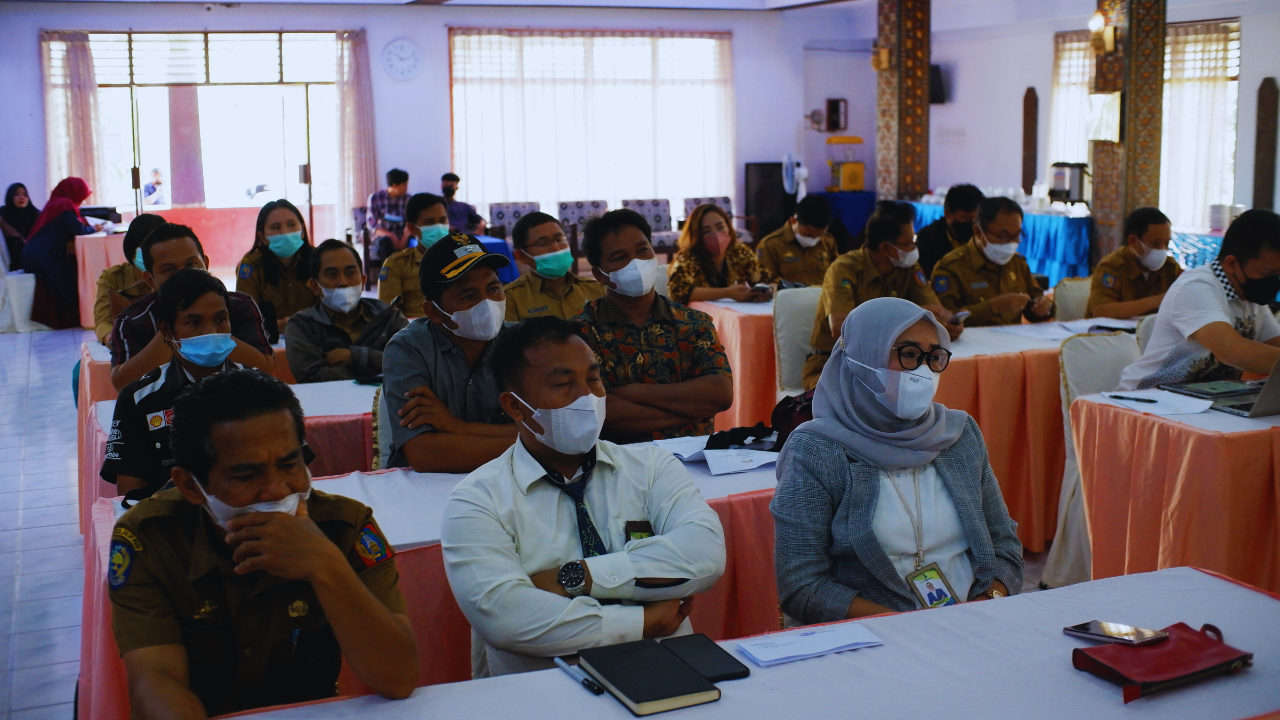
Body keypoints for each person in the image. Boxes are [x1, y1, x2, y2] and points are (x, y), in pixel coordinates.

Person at [109, 369, 417, 717]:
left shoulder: (345, 527)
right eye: (246, 475)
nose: (277, 490)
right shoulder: (150, 538)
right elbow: (156, 681)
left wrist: (326, 566)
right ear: (191, 486)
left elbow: (399, 678)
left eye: (289, 465)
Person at [441, 316, 726, 677]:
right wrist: (639, 622)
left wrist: (577, 577)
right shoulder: (477, 501)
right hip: (547, 690)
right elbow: (507, 617)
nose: (587, 398)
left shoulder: (649, 465)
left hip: (668, 670)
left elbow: (705, 554)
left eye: (593, 379)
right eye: (563, 384)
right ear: (515, 407)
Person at [772, 298, 1024, 623]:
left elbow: (1004, 544)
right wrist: (912, 627)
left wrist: (989, 599)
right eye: (907, 354)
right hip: (879, 637)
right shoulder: (817, 450)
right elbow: (802, 587)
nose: (922, 370)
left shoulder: (958, 434)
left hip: (975, 622)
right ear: (861, 358)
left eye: (933, 357)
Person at [573, 209, 733, 443]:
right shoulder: (582, 333)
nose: (636, 263)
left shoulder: (694, 322)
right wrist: (691, 410)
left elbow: (720, 394)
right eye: (620, 258)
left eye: (642, 250)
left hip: (696, 462)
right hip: (622, 463)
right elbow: (598, 416)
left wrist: (633, 392)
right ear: (599, 274)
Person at [102, 269, 243, 500]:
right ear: (167, 331)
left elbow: (291, 472)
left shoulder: (260, 390)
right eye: (194, 322)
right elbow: (131, 495)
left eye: (220, 319)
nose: (210, 332)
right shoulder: (138, 399)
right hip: (172, 523)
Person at [382, 232, 517, 472]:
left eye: (493, 288)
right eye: (468, 296)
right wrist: (528, 447)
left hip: (509, 485)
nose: (486, 303)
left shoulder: (522, 342)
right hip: (422, 491)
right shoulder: (409, 349)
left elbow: (547, 430)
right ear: (433, 312)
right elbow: (424, 453)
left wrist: (456, 427)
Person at [1117, 209, 1280, 391]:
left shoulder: (1248, 296)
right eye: (1268, 272)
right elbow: (1233, 352)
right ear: (1232, 264)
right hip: (1146, 399)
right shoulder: (1196, 287)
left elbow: (1275, 343)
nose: (1275, 280)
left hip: (1203, 399)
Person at [802, 201, 957, 391]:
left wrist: (949, 321)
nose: (913, 249)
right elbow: (841, 330)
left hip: (892, 365)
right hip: (835, 364)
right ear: (886, 248)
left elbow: (934, 312)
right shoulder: (844, 269)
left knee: (929, 390)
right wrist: (904, 317)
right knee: (869, 400)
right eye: (908, 243)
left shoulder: (907, 268)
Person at [111, 224, 275, 390]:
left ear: (206, 264)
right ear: (150, 279)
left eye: (192, 265)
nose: (184, 276)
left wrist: (215, 330)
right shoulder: (132, 320)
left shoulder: (240, 305)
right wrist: (171, 332)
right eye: (169, 270)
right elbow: (123, 384)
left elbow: (265, 370)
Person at [286, 239, 408, 383]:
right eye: (332, 274)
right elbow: (310, 376)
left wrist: (356, 357)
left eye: (350, 273)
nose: (343, 282)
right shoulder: (302, 325)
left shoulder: (389, 317)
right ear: (314, 286)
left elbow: (411, 362)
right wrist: (379, 366)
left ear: (363, 281)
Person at [930, 196, 1054, 326]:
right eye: (1002, 236)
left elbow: (1036, 303)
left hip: (1014, 341)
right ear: (978, 232)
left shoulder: (1017, 263)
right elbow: (946, 320)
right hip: (971, 343)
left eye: (1016, 236)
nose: (1010, 243)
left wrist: (1044, 307)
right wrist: (992, 307)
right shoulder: (951, 267)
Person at [22, 177, 103, 328]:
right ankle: (72, 318)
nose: (81, 200)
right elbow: (78, 229)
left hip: (34, 253)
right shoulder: (65, 204)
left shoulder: (57, 202)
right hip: (41, 256)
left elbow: (65, 227)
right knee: (71, 273)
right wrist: (95, 229)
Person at [666, 203, 774, 305]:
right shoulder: (687, 256)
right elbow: (677, 293)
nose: (716, 235)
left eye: (720, 227)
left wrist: (767, 292)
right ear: (697, 236)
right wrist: (727, 293)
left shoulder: (740, 251)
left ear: (729, 227)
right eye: (706, 231)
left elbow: (766, 280)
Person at [503, 211, 604, 321]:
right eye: (543, 244)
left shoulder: (595, 289)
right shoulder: (510, 299)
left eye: (559, 239)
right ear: (522, 256)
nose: (556, 248)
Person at [236, 199, 316, 334]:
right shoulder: (251, 265)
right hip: (268, 341)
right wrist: (281, 326)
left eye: (291, 225)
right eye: (276, 227)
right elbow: (244, 318)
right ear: (262, 237)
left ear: (302, 231)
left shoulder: (318, 259)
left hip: (315, 336)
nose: (285, 232)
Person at [1087, 207, 1181, 319]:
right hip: (1110, 334)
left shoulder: (1169, 267)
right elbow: (1101, 311)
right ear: (1133, 241)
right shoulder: (1112, 267)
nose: (1162, 250)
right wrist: (1160, 300)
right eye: (1156, 244)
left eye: (1166, 244)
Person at [93, 213, 166, 344]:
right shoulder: (112, 278)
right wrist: (113, 339)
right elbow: (103, 321)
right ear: (131, 248)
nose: (152, 254)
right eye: (145, 249)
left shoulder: (175, 276)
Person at [378, 192, 450, 318]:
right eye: (430, 222)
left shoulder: (463, 259)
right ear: (412, 228)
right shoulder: (398, 264)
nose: (439, 228)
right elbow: (389, 316)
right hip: (415, 332)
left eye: (443, 220)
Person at [755, 194, 837, 287]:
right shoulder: (770, 245)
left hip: (821, 298)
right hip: (788, 299)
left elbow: (837, 275)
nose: (813, 240)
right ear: (794, 221)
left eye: (819, 236)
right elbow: (764, 283)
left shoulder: (828, 241)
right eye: (808, 235)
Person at [916, 184, 983, 276]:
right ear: (947, 214)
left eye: (976, 218)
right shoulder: (928, 238)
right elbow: (925, 274)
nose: (972, 223)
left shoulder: (981, 234)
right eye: (966, 217)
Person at [367, 169, 411, 263]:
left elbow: (411, 222)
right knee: (386, 242)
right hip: (383, 236)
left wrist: (404, 238)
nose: (407, 188)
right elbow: (372, 225)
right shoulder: (375, 198)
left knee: (417, 241)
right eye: (404, 185)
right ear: (394, 185)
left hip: (403, 235)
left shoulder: (408, 199)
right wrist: (391, 236)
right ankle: (387, 275)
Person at [0, 182, 39, 270]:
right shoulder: (4, 213)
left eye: (25, 195)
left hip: (35, 254)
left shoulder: (34, 213)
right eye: (17, 194)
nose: (21, 197)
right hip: (15, 257)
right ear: (10, 197)